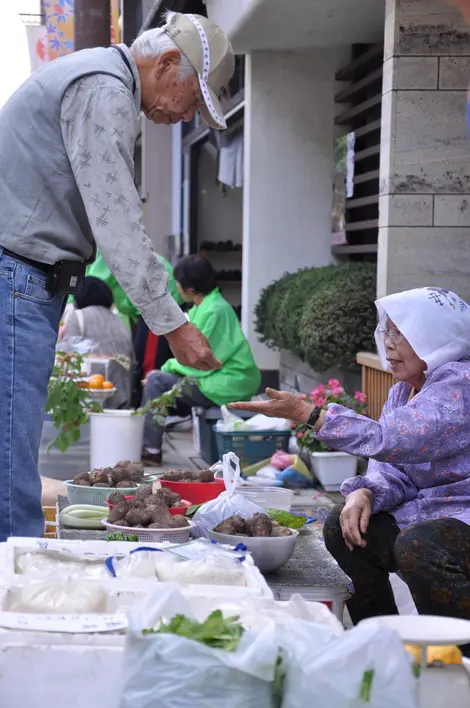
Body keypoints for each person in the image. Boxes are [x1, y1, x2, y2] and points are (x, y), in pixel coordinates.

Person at [0, 11, 234, 540]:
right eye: (193, 98)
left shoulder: (102, 80)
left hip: (21, 276)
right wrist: (175, 325)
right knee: (10, 452)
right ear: (167, 63)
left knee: (10, 444)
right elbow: (118, 223)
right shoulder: (104, 89)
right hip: (15, 275)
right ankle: (16, 595)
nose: (188, 115)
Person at [230, 287, 470, 652]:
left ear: (434, 336)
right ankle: (382, 648)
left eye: (400, 333)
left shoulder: (459, 384)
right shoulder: (405, 390)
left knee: (417, 545)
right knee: (344, 524)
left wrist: (306, 413)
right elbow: (395, 469)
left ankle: (457, 658)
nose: (388, 345)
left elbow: (391, 439)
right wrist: (367, 491)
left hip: (459, 516)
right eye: (386, 332)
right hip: (429, 514)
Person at [141, 255, 261, 465]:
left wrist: (164, 367)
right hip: (222, 378)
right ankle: (151, 444)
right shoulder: (207, 306)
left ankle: (151, 449)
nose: (175, 285)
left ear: (190, 288)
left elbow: (198, 360)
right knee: (158, 378)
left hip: (226, 382)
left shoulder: (213, 310)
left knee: (156, 381)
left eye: (177, 281)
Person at [60, 276, 134, 409]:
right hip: (120, 393)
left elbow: (66, 355)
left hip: (87, 393)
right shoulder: (120, 322)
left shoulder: (77, 317)